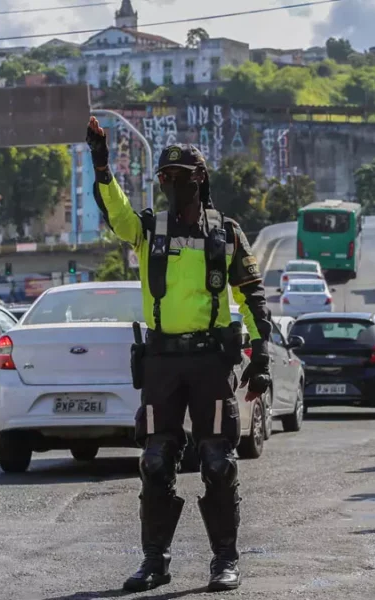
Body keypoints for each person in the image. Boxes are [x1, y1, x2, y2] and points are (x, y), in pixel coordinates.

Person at [86, 117, 273, 593]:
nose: (172, 186)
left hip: (212, 362)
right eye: (165, 180)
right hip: (162, 362)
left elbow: (252, 296)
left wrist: (261, 355)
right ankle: (155, 562)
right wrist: (101, 162)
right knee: (154, 460)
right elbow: (117, 210)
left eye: (181, 178)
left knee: (217, 461)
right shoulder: (147, 229)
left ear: (200, 180)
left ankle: (224, 561)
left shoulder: (225, 232)